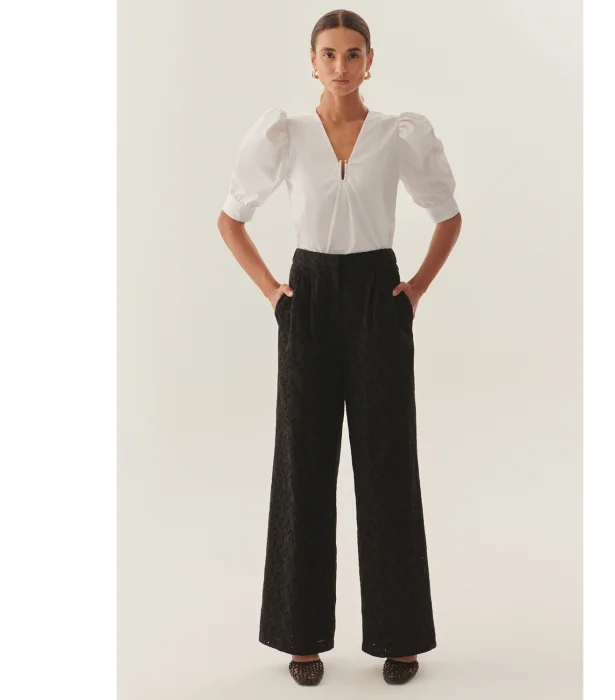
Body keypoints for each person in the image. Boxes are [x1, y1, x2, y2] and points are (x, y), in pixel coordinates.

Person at [217, 9, 462, 687]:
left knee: (387, 466)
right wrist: (274, 293)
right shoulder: (287, 135)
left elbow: (448, 215)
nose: (342, 66)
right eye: (329, 54)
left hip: (379, 298)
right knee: (303, 465)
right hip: (310, 299)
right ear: (312, 62)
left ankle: (399, 636)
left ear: (370, 61)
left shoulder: (395, 134)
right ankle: (301, 636)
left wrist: (414, 289)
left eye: (354, 54)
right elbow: (231, 218)